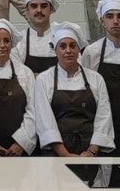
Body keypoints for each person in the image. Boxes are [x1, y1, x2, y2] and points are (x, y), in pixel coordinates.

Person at [34, 21, 114, 157]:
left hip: (89, 153)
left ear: (78, 49)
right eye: (62, 46)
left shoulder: (96, 78)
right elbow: (45, 122)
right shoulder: (44, 79)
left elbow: (104, 117)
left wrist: (91, 151)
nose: (68, 51)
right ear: (55, 50)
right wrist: (65, 154)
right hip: (55, 154)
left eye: (72, 46)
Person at [80, 0, 120, 156]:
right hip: (100, 121)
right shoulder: (91, 52)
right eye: (109, 16)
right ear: (102, 21)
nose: (115, 21)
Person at [0, 20, 36, 157]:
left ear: (11, 44)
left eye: (6, 41)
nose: (2, 45)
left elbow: (33, 111)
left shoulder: (25, 72)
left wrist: (21, 143)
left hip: (18, 151)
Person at [14, 0, 60, 74]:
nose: (39, 10)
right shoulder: (18, 42)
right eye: (34, 6)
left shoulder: (62, 39)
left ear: (51, 8)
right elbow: (16, 75)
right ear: (27, 9)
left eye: (44, 6)